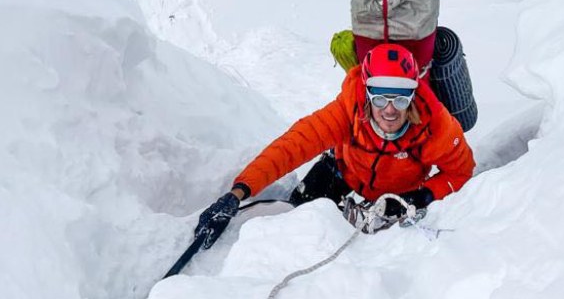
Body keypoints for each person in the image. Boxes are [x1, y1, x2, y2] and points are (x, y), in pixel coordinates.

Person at [194, 43, 475, 248]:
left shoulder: (435, 125)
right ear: (367, 94)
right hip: (343, 174)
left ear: (413, 97)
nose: (390, 110)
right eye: (380, 99)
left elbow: (461, 171)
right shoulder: (348, 110)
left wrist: (422, 197)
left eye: (400, 99)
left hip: (399, 194)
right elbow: (292, 146)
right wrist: (238, 192)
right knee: (294, 223)